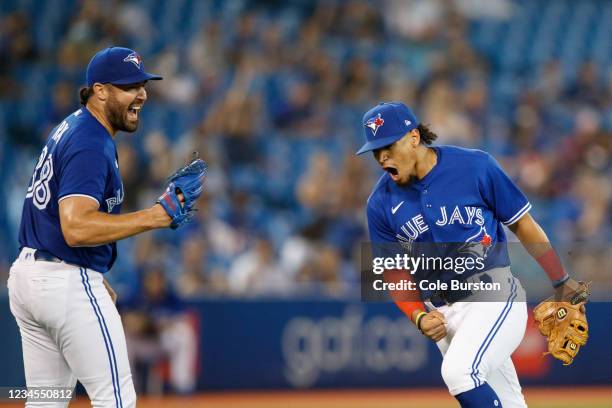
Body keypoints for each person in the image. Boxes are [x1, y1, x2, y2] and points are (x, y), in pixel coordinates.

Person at [7, 46, 205, 407]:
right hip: (63, 284)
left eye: (143, 85)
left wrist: (94, 272)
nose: (141, 94)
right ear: (100, 90)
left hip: (33, 276)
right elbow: (76, 227)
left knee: (45, 402)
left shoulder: (74, 127)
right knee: (116, 399)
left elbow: (58, 220)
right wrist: (155, 215)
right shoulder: (90, 141)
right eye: (130, 86)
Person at [358, 102, 584, 408]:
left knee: (461, 373)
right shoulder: (380, 203)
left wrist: (561, 278)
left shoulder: (475, 166)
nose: (382, 157)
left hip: (493, 295)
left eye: (388, 145)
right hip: (442, 313)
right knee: (507, 402)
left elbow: (523, 225)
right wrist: (418, 315)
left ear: (413, 137)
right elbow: (394, 273)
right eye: (375, 151)